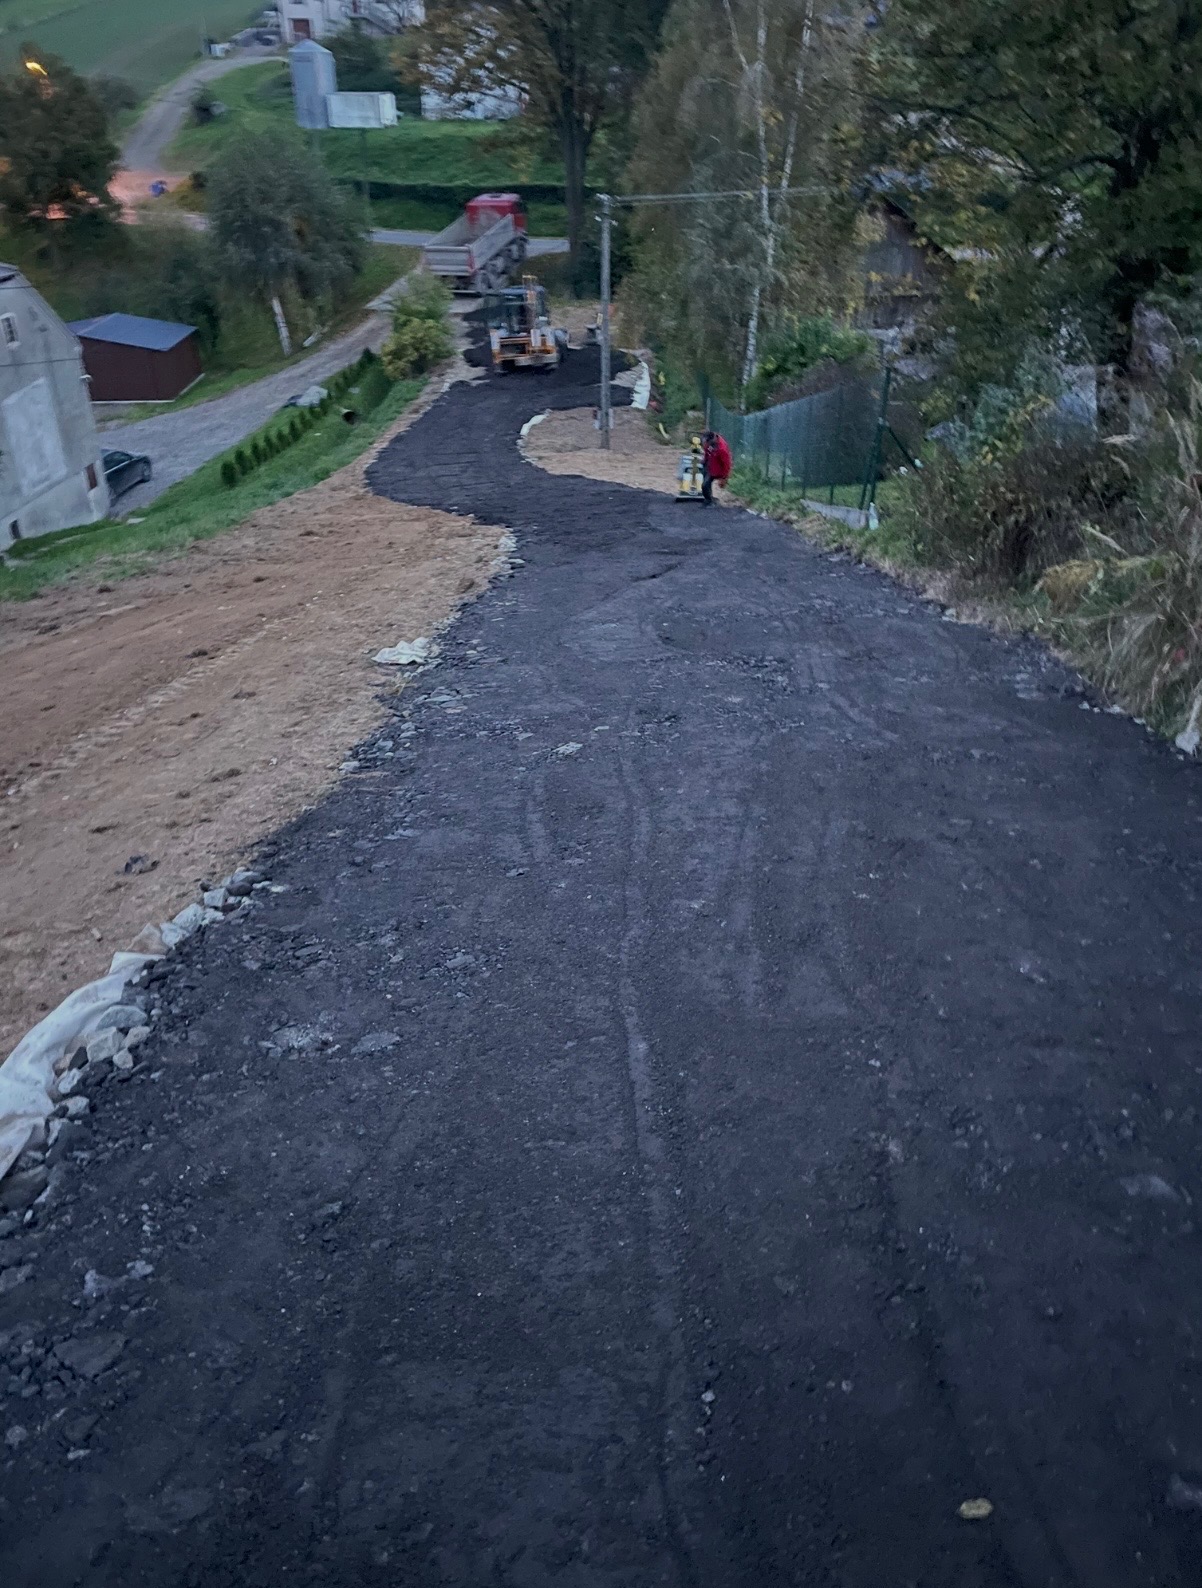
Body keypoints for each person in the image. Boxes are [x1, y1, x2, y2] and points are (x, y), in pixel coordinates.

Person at [701, 429, 732, 505]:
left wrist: (724, 478)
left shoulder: (722, 449)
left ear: (711, 441)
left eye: (706, 443)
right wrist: (705, 459)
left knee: (705, 485)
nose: (704, 444)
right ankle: (709, 497)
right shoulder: (710, 444)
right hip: (710, 464)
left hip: (718, 470)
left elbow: (726, 465)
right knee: (705, 483)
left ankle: (709, 501)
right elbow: (707, 450)